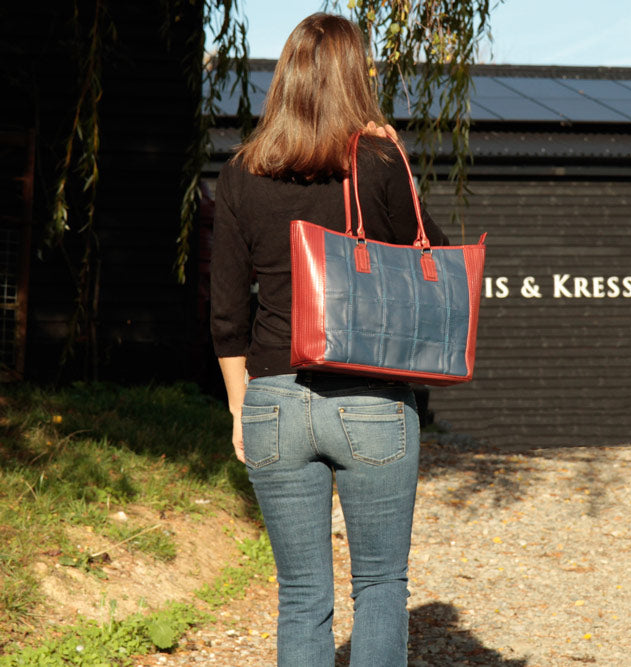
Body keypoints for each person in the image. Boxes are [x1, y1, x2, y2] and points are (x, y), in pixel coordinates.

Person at [210, 13, 448, 666]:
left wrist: (240, 407)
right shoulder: (376, 164)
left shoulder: (239, 174)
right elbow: (435, 261)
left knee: (301, 592)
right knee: (379, 585)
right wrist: (397, 157)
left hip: (274, 402)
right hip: (371, 399)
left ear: (285, 80)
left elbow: (226, 313)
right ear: (353, 79)